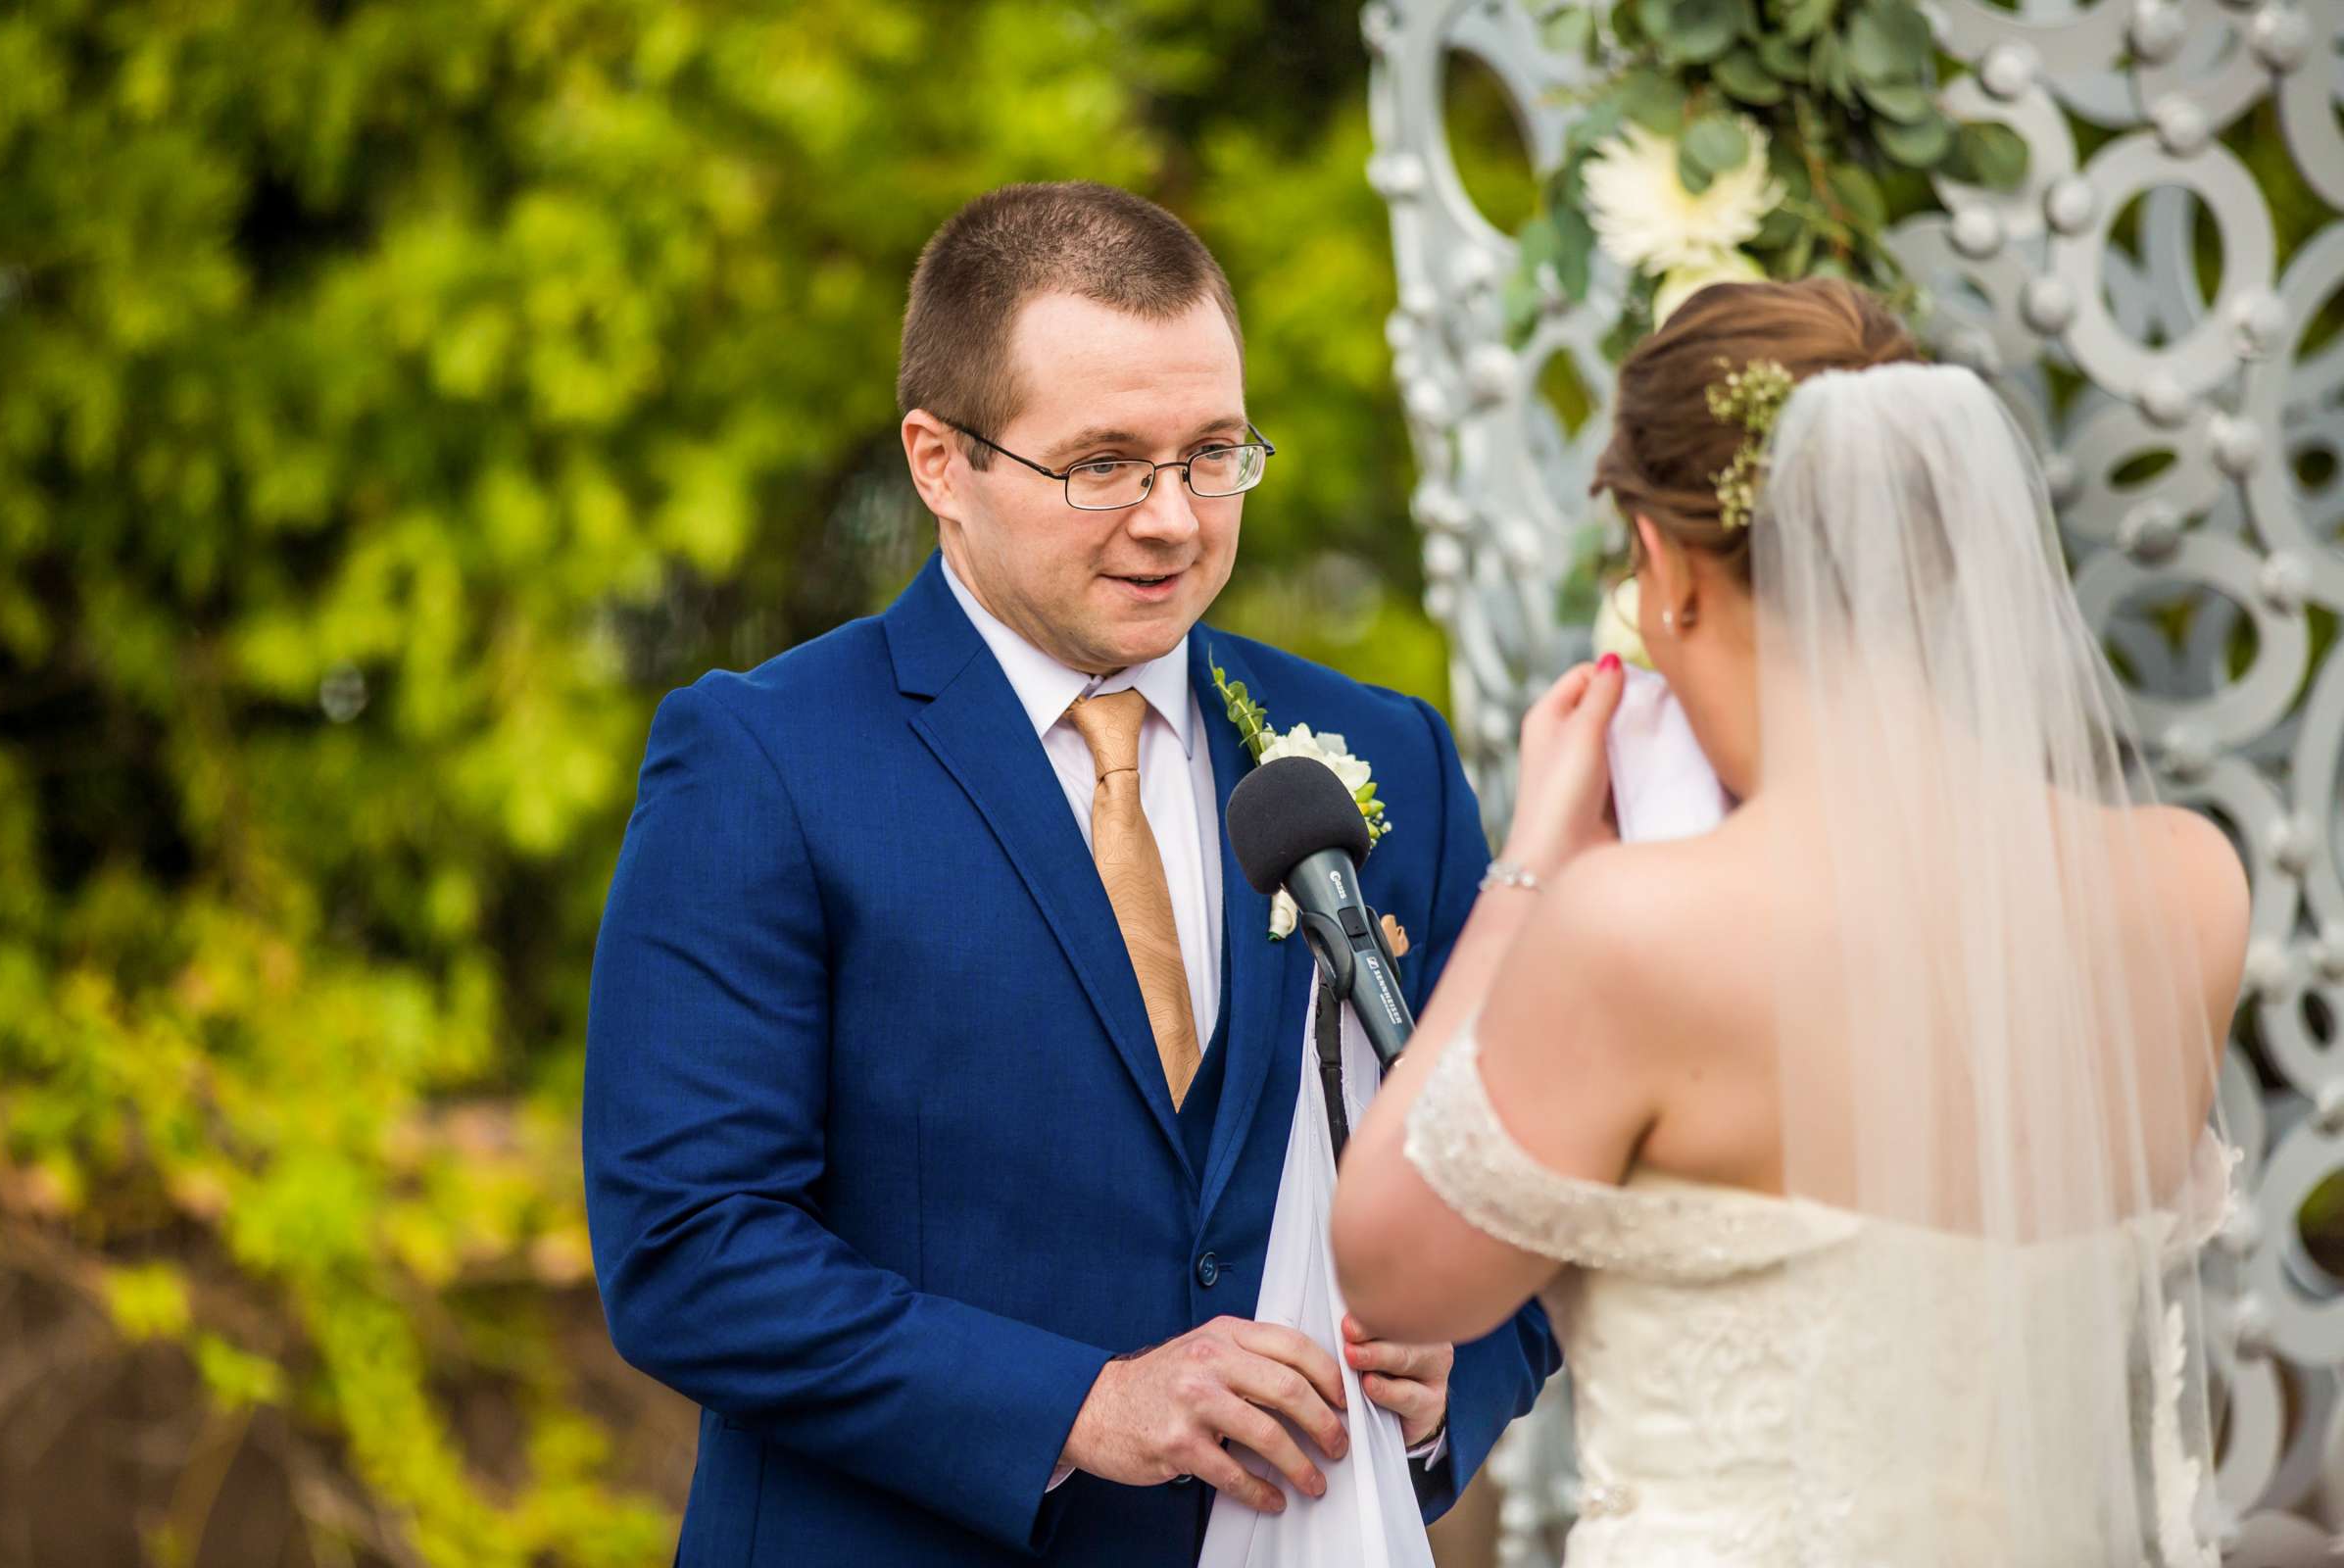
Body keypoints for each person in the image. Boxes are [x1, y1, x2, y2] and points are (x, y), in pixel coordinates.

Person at [582, 181, 1557, 1568]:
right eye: (1103, 463)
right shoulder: (763, 761)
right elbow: (687, 1250)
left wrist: (1452, 1382)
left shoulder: (1370, 755)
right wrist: (1082, 1404)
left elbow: (1516, 1174)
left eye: (1213, 453)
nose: (1174, 519)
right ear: (939, 461)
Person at [1331, 278, 2249, 1565]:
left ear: (1668, 571)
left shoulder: (1636, 934)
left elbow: (1386, 1266)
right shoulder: (2184, 887)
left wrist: (1531, 867)